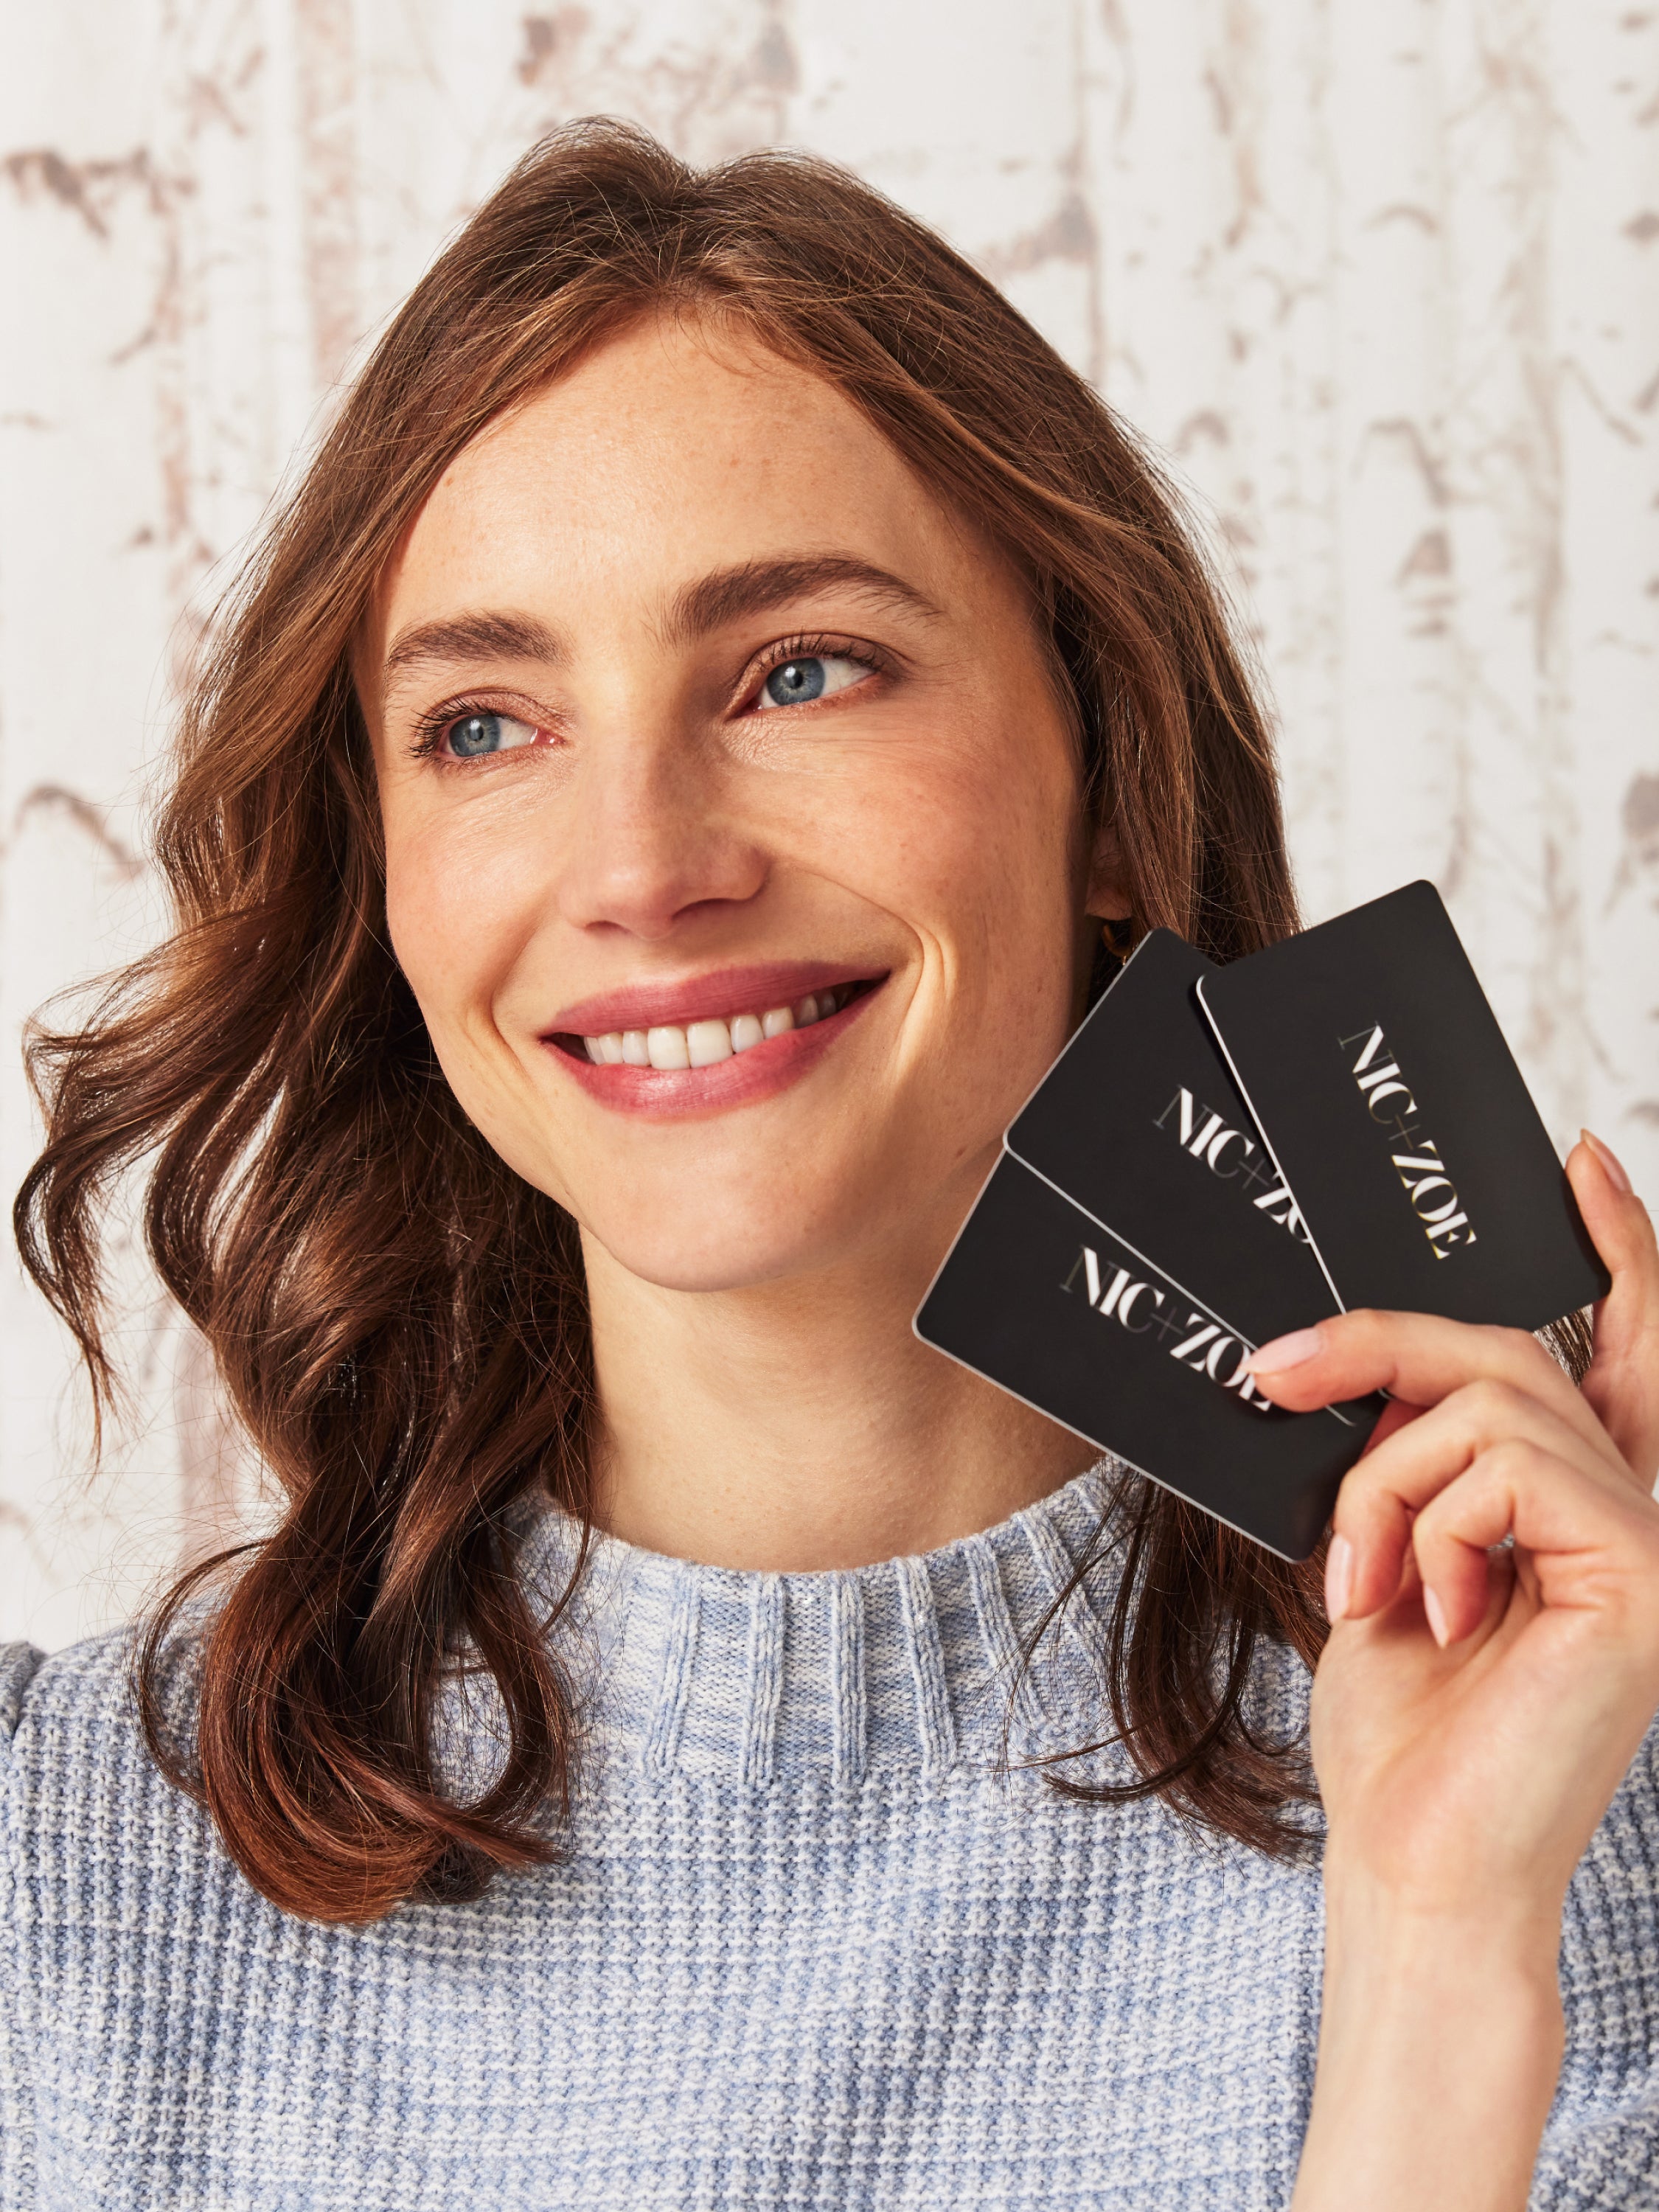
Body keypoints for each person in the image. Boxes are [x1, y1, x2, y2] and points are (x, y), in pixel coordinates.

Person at [2, 119, 1657, 2212]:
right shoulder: (52, 1876)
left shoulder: (1578, 1796)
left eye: (801, 671)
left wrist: (1438, 1957)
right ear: (386, 875)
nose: (641, 867)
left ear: (1110, 785)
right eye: (487, 726)